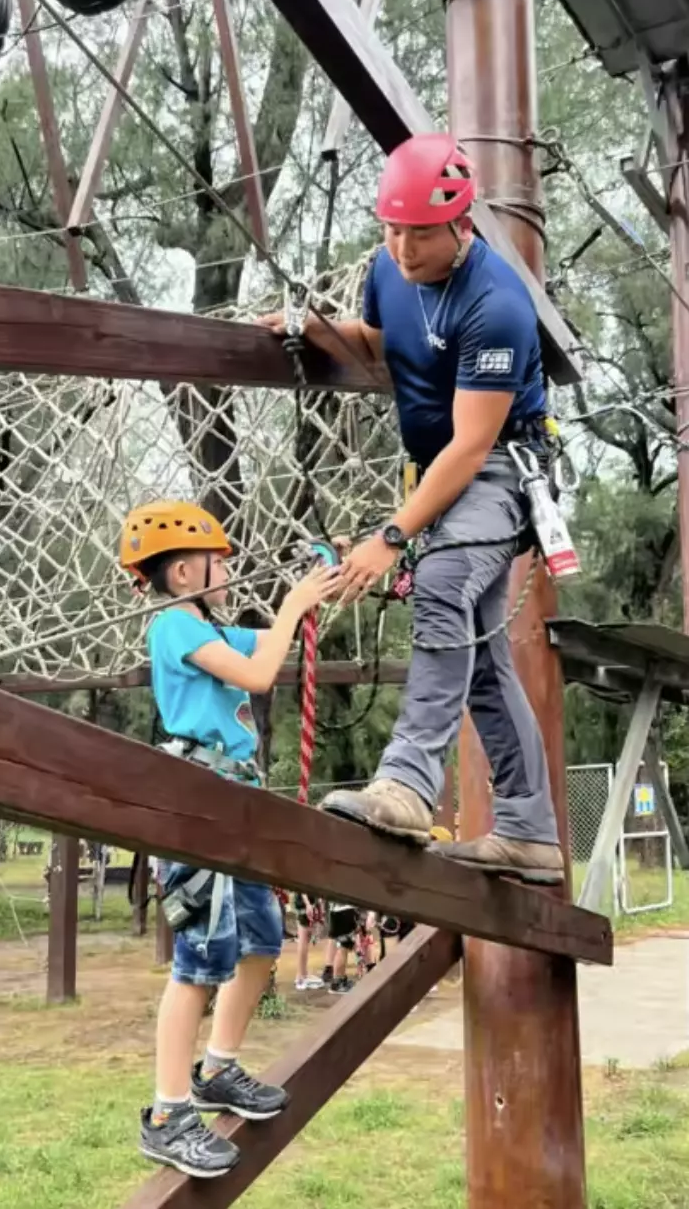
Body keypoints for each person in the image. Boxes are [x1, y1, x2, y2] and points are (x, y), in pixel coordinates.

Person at [260, 132, 563, 886]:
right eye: (389, 228)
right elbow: (383, 340)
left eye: (417, 233)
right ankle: (531, 832)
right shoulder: (386, 270)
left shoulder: (497, 304)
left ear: (460, 223)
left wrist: (390, 537)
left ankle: (406, 785)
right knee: (483, 658)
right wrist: (313, 329)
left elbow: (471, 446)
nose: (400, 247)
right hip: (440, 470)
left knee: (439, 588)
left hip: (496, 472)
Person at [119, 499, 341, 1178]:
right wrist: (295, 599)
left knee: (261, 940)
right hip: (197, 797)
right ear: (186, 570)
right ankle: (167, 1112)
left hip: (233, 798)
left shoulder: (210, 628)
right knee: (199, 958)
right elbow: (257, 673)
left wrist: (318, 591)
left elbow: (276, 641)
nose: (230, 573)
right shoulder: (171, 627)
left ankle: (217, 1067)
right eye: (220, 562)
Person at [292, 892, 324, 990]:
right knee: (303, 939)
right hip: (305, 904)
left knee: (305, 939)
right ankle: (301, 977)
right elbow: (302, 887)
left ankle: (302, 974)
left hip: (307, 903)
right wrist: (308, 904)